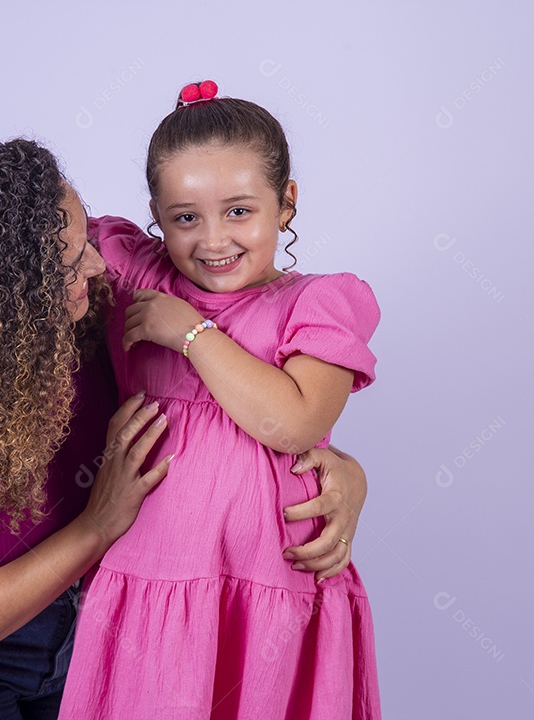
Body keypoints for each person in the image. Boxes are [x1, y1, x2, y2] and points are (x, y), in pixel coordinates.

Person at [0, 137, 370, 718]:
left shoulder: (99, 310)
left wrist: (346, 472)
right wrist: (98, 525)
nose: (94, 263)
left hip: (91, 624)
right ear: (9, 291)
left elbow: (244, 419)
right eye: (67, 263)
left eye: (86, 237)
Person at [58, 82, 382, 719]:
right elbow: (4, 242)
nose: (213, 240)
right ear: (155, 212)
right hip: (151, 581)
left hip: (270, 589)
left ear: (286, 201)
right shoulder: (133, 272)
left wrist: (191, 333)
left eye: (239, 211)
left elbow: (291, 422)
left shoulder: (318, 303)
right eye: (185, 217)